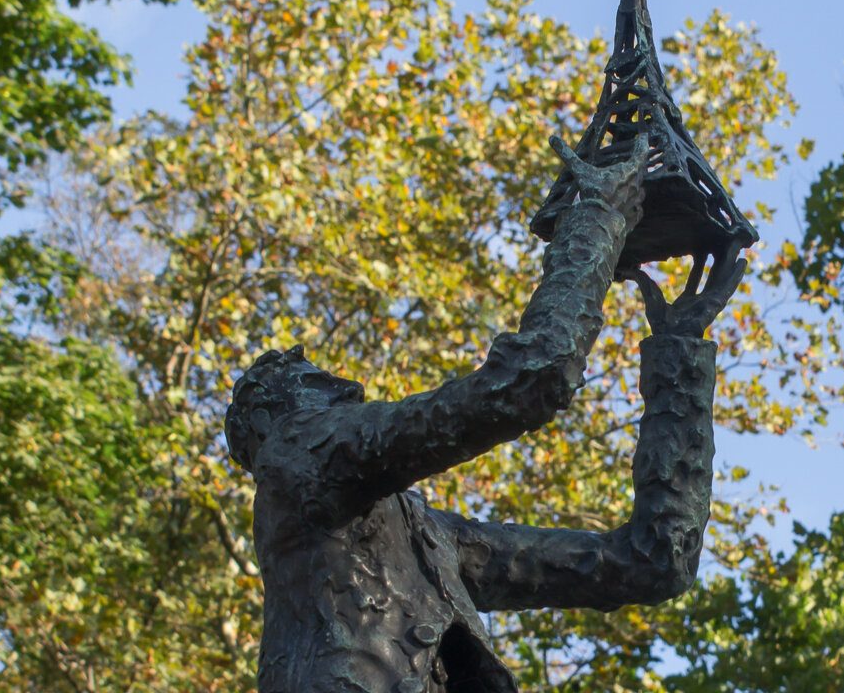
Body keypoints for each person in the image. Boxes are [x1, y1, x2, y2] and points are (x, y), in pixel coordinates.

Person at [225, 134, 746, 693]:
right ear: (266, 425)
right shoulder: (296, 453)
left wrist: (679, 356)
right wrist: (595, 216)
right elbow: (531, 382)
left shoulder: (431, 541)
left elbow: (652, 562)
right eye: (312, 381)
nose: (347, 385)